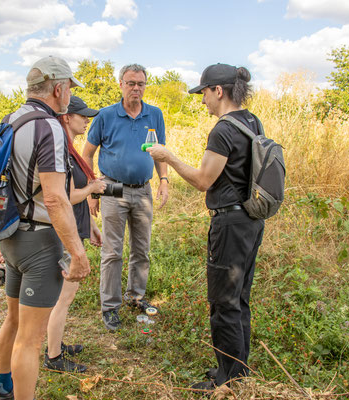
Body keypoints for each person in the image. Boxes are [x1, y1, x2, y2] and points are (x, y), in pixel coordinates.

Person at [146, 63, 265, 392]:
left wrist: (169, 158)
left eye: (204, 94)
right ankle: (237, 372)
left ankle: (228, 380)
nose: (202, 102)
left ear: (218, 91)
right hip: (252, 220)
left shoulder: (223, 130)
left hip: (229, 224)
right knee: (240, 299)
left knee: (223, 302)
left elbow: (202, 180)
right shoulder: (253, 122)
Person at [0, 56, 91, 400]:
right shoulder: (49, 128)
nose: (69, 95)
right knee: (31, 339)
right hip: (39, 244)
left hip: (12, 237)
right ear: (59, 88)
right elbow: (55, 199)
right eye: (70, 89)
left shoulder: (10, 120)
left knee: (13, 322)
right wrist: (77, 252)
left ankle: (2, 389)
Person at [82, 63, 169, 332]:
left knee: (141, 249)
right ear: (120, 84)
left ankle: (136, 296)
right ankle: (110, 306)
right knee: (112, 251)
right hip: (112, 188)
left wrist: (164, 180)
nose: (136, 88)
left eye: (141, 84)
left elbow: (160, 152)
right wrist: (92, 190)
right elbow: (86, 154)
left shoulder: (154, 115)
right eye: (131, 83)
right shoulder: (106, 116)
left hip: (142, 189)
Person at [44, 96, 105, 373]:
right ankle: (54, 357)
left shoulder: (68, 150)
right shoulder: (62, 152)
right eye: (82, 115)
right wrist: (92, 189)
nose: (86, 120)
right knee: (64, 297)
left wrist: (90, 226)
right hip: (62, 235)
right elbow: (66, 196)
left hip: (74, 230)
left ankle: (55, 344)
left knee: (62, 296)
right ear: (67, 117)